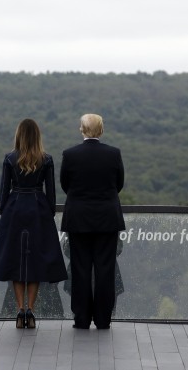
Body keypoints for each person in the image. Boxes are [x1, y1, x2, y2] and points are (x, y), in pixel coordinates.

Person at [0, 118, 68, 329]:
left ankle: (19, 310)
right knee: (35, 263)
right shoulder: (47, 159)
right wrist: (47, 212)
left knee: (16, 261)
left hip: (14, 210)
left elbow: (3, 192)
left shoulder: (9, 158)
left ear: (19, 135)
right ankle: (31, 311)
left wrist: (5, 211)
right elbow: (51, 194)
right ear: (37, 136)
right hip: (38, 209)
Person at [60, 113, 125, 330]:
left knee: (80, 269)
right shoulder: (113, 154)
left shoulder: (70, 155)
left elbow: (65, 184)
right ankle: (103, 319)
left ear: (81, 129)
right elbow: (119, 183)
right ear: (101, 130)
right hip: (107, 218)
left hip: (78, 218)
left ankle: (81, 318)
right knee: (105, 270)